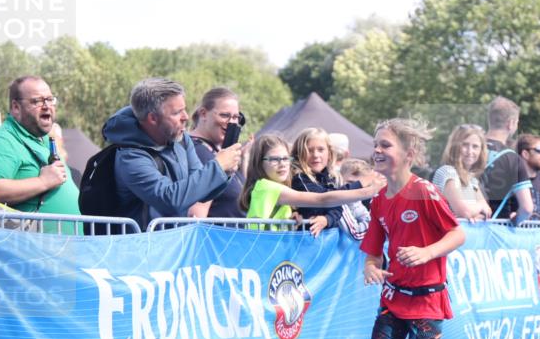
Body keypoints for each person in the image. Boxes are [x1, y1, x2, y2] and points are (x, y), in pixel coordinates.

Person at [362, 118, 500, 339]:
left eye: (386, 145)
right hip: (393, 301)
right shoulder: (379, 200)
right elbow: (374, 252)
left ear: (408, 154)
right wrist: (371, 268)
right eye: (376, 144)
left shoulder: (423, 191)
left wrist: (426, 253)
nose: (377, 150)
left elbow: (457, 234)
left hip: (427, 303)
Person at [101, 78, 241, 230]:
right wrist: (218, 166)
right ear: (152, 118)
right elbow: (169, 199)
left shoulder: (182, 139)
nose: (186, 117)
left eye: (184, 109)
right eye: (177, 112)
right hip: (141, 248)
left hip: (173, 245)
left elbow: (201, 191)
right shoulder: (130, 157)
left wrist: (225, 171)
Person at [0, 76, 80, 232]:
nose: (46, 106)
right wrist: (43, 182)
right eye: (37, 101)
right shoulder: (3, 140)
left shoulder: (42, 139)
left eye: (50, 99)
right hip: (38, 251)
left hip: (65, 248)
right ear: (16, 107)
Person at [239, 134, 381, 229]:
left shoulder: (276, 187)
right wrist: (367, 189)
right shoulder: (267, 187)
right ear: (259, 163)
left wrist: (290, 216)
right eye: (274, 159)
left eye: (285, 158)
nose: (282, 164)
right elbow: (323, 199)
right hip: (260, 255)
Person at [187, 87, 249, 219]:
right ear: (203, 113)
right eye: (225, 115)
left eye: (236, 117)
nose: (232, 122)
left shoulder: (216, 151)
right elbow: (196, 215)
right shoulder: (195, 151)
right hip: (213, 238)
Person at [290, 127, 354, 237]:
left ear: (329, 153)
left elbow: (338, 207)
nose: (315, 155)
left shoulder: (332, 177)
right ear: (299, 154)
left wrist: (327, 219)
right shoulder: (299, 177)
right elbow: (325, 200)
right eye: (309, 150)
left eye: (321, 150)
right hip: (302, 241)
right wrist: (360, 186)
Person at [480, 97, 534, 223]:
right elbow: (527, 208)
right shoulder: (512, 158)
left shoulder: (468, 149)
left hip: (465, 226)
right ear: (510, 123)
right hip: (496, 228)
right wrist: (516, 220)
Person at [431, 124, 491, 222]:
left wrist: (475, 214)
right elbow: (464, 212)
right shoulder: (447, 172)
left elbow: (487, 211)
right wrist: (478, 207)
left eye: (475, 146)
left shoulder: (472, 180)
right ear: (455, 147)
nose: (470, 151)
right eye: (465, 145)